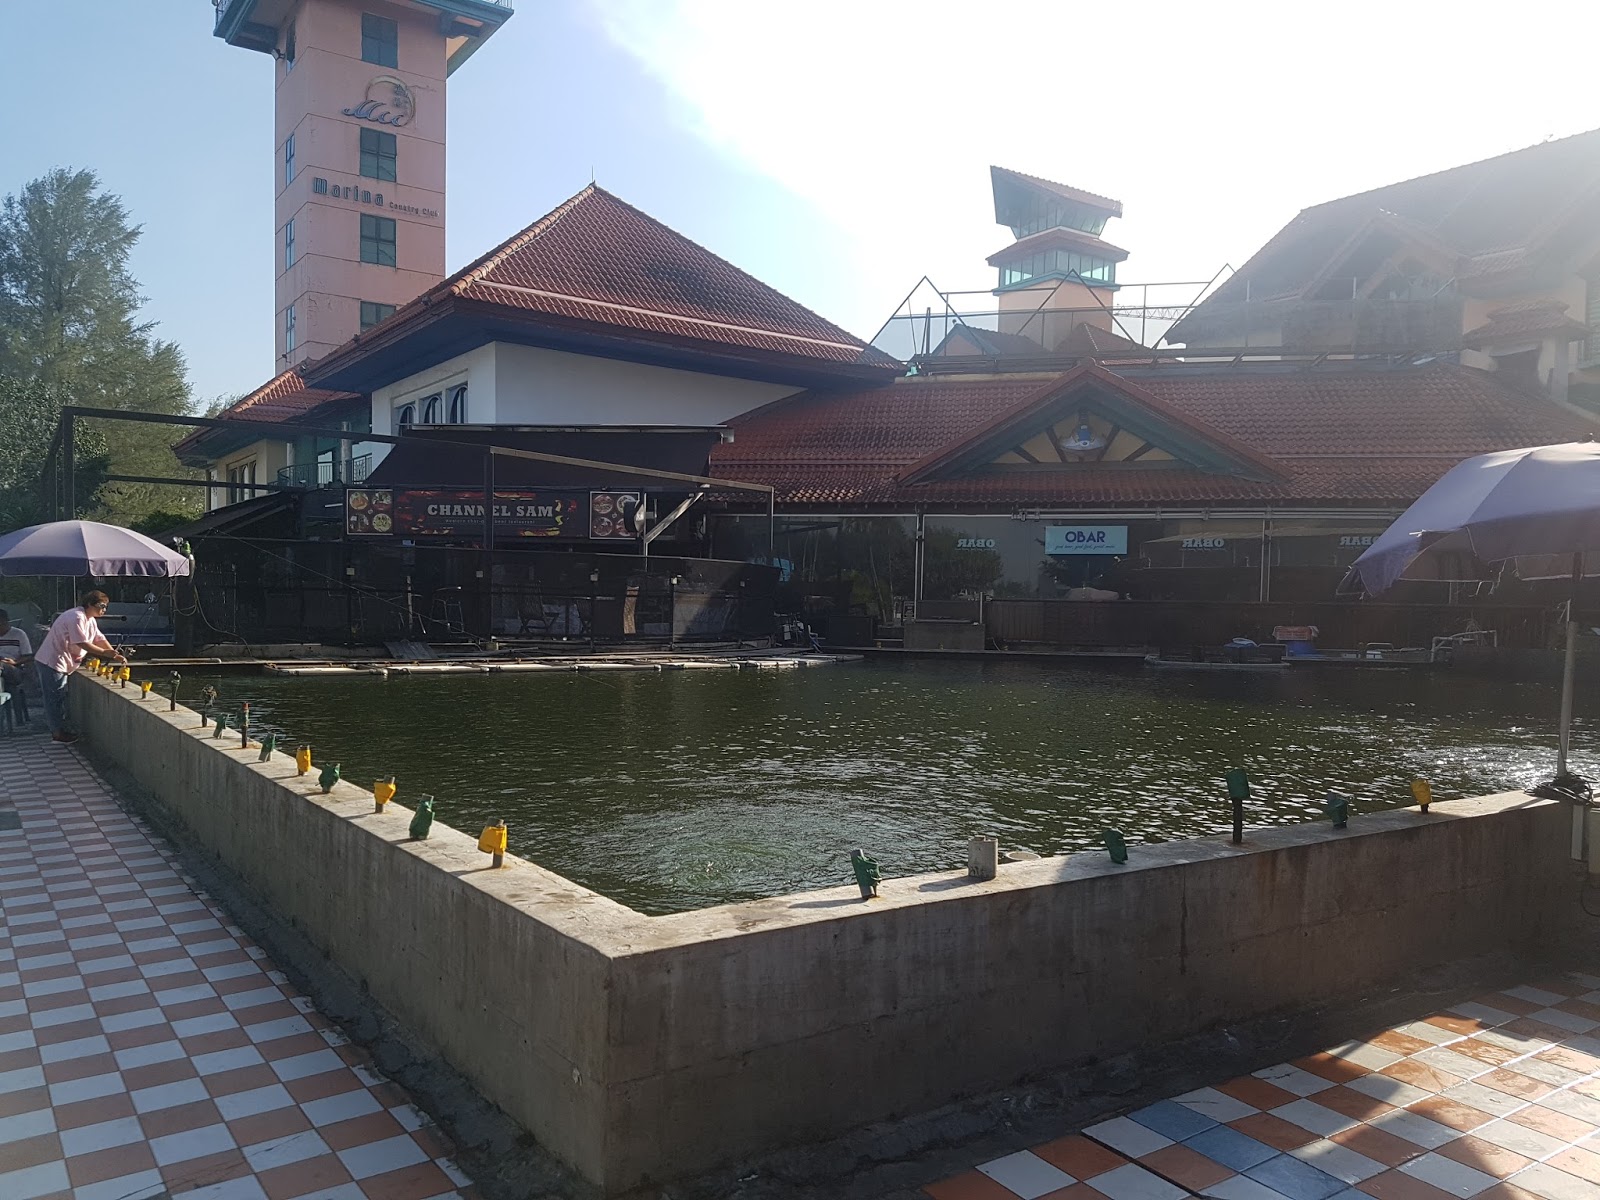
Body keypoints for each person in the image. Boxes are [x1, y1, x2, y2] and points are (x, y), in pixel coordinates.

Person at [35, 591, 125, 745]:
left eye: (106, 607)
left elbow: (99, 638)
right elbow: (81, 642)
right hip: (52, 661)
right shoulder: (76, 616)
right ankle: (57, 733)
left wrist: (114, 654)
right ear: (89, 604)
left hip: (63, 662)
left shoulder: (90, 620)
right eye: (101, 606)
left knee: (59, 696)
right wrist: (105, 653)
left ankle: (61, 729)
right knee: (54, 698)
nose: (104, 609)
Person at [0, 610, 32, 718]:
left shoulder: (19, 634)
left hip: (15, 669)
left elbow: (28, 656)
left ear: (6, 622)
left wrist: (15, 662)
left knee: (2, 665)